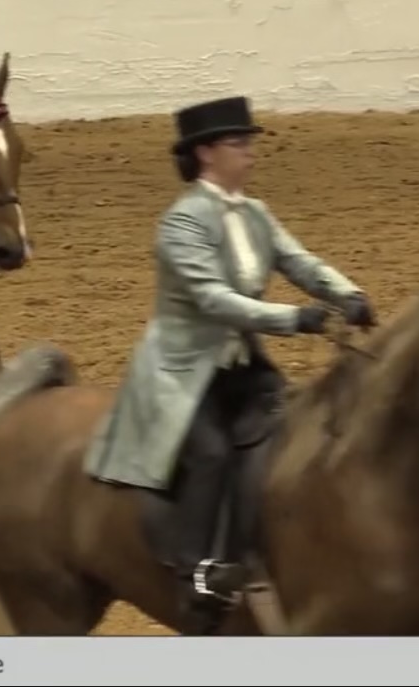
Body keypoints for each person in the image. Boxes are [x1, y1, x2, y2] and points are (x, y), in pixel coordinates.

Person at [82, 95, 377, 631]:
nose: (251, 153)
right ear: (206, 154)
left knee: (294, 436)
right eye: (240, 143)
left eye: (249, 143)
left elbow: (299, 261)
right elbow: (216, 301)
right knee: (212, 453)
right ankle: (197, 571)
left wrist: (347, 294)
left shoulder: (256, 213)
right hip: (183, 373)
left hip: (242, 367)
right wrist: (297, 319)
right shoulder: (180, 226)